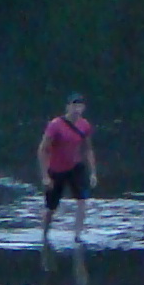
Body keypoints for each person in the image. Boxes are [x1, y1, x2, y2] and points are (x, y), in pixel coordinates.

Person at [38, 94, 97, 245]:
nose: (77, 109)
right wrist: (45, 175)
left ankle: (77, 235)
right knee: (51, 207)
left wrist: (93, 173)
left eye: (80, 106)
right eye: (74, 106)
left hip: (75, 167)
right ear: (67, 107)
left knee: (82, 200)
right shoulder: (56, 125)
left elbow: (88, 149)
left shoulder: (84, 125)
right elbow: (43, 149)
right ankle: (44, 234)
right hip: (57, 169)